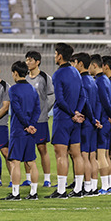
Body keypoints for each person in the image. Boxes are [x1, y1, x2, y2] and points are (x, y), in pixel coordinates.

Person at [45, 43, 85, 199]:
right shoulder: (76, 72)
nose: (55, 57)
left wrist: (71, 113)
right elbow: (83, 96)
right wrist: (77, 112)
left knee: (60, 154)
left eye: (55, 54)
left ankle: (61, 191)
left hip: (63, 118)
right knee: (77, 154)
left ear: (59, 56)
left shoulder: (58, 74)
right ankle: (78, 190)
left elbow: (60, 100)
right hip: (75, 120)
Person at [1, 61, 40, 201]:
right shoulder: (32, 89)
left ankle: (16, 193)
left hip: (19, 130)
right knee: (31, 162)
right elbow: (38, 110)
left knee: (15, 162)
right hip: (31, 131)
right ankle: (33, 193)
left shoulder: (13, 89)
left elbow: (17, 109)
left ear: (15, 73)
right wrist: (32, 125)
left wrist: (26, 124)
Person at [71, 53, 102, 197]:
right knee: (92, 156)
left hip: (86, 122)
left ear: (81, 64)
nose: (74, 66)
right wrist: (96, 119)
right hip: (93, 122)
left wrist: (90, 117)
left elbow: (86, 103)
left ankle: (87, 187)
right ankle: (93, 187)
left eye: (75, 63)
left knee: (84, 155)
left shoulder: (82, 80)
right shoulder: (92, 80)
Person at [24, 51, 55, 187]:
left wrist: (44, 111)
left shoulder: (44, 77)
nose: (28, 62)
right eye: (27, 60)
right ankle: (28, 178)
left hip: (40, 120)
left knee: (42, 149)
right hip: (27, 120)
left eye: (30, 60)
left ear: (37, 62)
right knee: (26, 149)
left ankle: (47, 179)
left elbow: (52, 96)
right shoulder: (24, 78)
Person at [89, 54, 111, 194]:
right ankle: (108, 183)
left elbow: (104, 101)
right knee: (107, 154)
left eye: (89, 65)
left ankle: (104, 186)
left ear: (95, 65)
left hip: (103, 121)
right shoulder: (106, 80)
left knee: (101, 155)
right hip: (106, 120)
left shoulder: (100, 81)